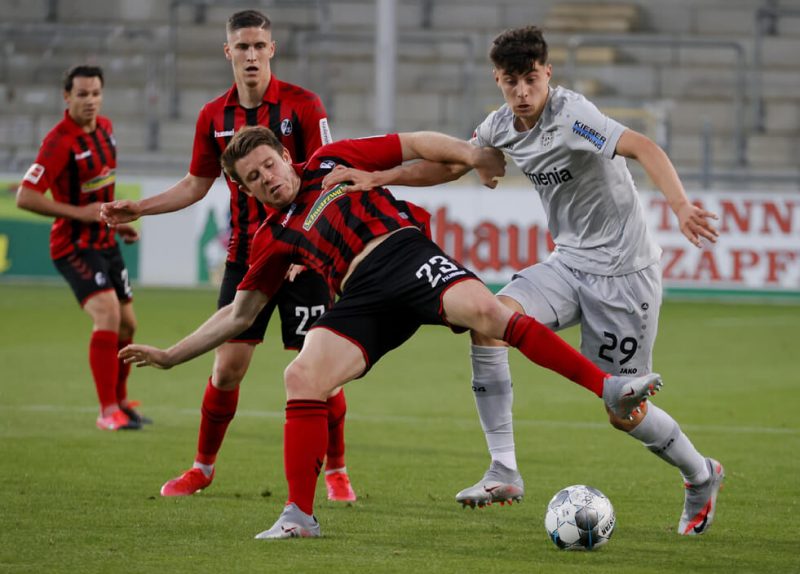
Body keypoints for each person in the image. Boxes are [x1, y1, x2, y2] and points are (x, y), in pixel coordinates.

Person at [118, 125, 662, 539]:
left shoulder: (333, 158)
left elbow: (414, 142)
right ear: (244, 189)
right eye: (254, 178)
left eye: (269, 165)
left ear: (286, 157)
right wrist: (170, 356)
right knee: (302, 374)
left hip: (402, 253)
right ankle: (299, 516)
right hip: (360, 301)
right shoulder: (270, 237)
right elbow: (238, 315)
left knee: (491, 316)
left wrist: (472, 155)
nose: (268, 179)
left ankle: (608, 386)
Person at [321, 26, 724, 536]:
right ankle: (504, 470)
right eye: (511, 82)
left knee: (625, 412)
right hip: (568, 263)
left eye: (531, 79)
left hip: (625, 276)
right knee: (490, 318)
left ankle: (700, 474)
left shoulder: (574, 116)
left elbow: (642, 146)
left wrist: (682, 205)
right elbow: (451, 166)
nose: (522, 92)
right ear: (498, 81)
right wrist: (380, 178)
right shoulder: (500, 127)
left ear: (547, 74)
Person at [100, 10, 354, 500]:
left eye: (259, 45)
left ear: (272, 49)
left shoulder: (303, 105)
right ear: (229, 53)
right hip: (248, 257)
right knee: (226, 368)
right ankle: (202, 468)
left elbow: (327, 172)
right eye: (242, 47)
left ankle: (338, 470)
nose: (252, 55)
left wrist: (315, 243)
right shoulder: (213, 116)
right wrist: (141, 208)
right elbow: (197, 184)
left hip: (304, 255)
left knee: (318, 369)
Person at [17, 65, 149, 431]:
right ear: (67, 97)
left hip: (105, 241)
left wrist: (117, 225)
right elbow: (26, 197)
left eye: (95, 93)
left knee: (128, 324)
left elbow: (99, 195)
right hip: (72, 245)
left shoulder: (106, 129)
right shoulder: (59, 141)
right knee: (107, 313)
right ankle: (107, 412)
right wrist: (80, 213)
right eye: (82, 94)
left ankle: (122, 401)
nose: (90, 101)